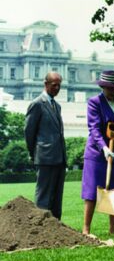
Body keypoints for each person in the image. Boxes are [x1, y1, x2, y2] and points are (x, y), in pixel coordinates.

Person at [81, 70, 114, 235]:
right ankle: (86, 229)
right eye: (109, 88)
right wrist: (104, 148)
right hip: (97, 153)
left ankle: (112, 230)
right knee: (92, 191)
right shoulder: (95, 102)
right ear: (103, 87)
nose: (113, 91)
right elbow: (94, 129)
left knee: (113, 190)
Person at [25, 72, 67, 220]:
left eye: (59, 85)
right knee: (43, 196)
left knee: (57, 196)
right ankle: (40, 227)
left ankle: (56, 228)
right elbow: (29, 133)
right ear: (46, 84)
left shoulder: (57, 106)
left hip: (59, 157)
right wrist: (34, 153)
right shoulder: (37, 104)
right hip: (44, 157)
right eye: (54, 85)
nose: (57, 88)